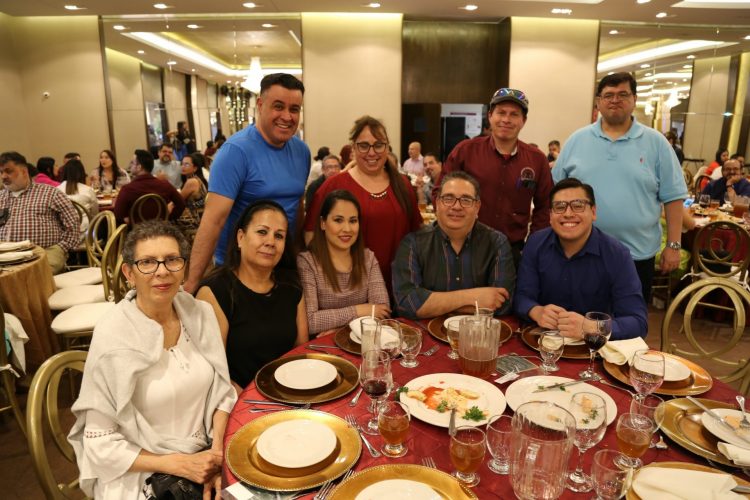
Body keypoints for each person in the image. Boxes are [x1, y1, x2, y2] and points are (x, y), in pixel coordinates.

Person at [68, 221, 237, 499]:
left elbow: (221, 391)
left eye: (172, 260)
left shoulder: (200, 314)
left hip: (204, 456)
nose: (162, 271)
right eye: (147, 262)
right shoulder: (113, 335)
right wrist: (181, 465)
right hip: (142, 473)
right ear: (129, 273)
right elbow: (100, 444)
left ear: (184, 268)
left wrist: (215, 457)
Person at [553, 72, 687, 303]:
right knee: (576, 318)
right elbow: (555, 192)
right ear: (598, 102)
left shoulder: (657, 143)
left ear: (634, 99)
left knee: (630, 319)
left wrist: (674, 246)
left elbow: (673, 198)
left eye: (623, 94)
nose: (615, 100)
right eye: (608, 95)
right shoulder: (577, 140)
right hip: (580, 252)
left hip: (637, 255)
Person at [185, 73, 310, 293]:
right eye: (278, 106)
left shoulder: (302, 151)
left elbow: (297, 206)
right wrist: (192, 284)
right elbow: (213, 221)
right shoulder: (235, 152)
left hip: (282, 265)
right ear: (260, 105)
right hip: (238, 268)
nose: (287, 116)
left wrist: (298, 253)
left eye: (294, 109)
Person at [514, 178, 647, 341]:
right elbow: (521, 296)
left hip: (594, 348)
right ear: (550, 215)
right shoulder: (536, 244)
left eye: (578, 206)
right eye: (559, 207)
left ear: (593, 212)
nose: (568, 214)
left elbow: (638, 322)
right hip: (542, 343)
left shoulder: (617, 255)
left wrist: (591, 327)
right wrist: (536, 311)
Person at [197, 200, 308, 393]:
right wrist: (251, 401)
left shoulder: (291, 285)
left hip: (289, 392)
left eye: (279, 236)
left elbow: (300, 351)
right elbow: (212, 372)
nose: (270, 242)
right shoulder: (215, 291)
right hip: (237, 399)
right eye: (262, 232)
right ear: (240, 237)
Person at [304, 115, 422, 295]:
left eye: (379, 145)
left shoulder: (403, 185)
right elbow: (311, 235)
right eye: (364, 145)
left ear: (387, 147)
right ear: (353, 148)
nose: (372, 152)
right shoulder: (335, 185)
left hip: (400, 285)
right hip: (350, 289)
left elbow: (416, 232)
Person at [439, 88, 553, 267]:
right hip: (463, 248)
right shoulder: (465, 151)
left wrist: (532, 245)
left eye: (514, 114)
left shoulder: (537, 160)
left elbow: (545, 206)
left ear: (523, 121)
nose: (506, 119)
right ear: (490, 116)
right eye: (501, 112)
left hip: (513, 252)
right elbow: (439, 193)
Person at [393, 171, 515, 319]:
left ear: (477, 207)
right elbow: (407, 304)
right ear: (437, 203)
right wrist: (474, 297)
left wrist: (434, 304)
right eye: (448, 198)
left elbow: (502, 304)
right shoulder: (413, 243)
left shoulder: (497, 243)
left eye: (466, 200)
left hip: (478, 331)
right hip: (426, 332)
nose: (456, 206)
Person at [298, 190, 390, 336]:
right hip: (324, 347)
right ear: (323, 223)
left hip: (363, 343)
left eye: (353, 221)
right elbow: (310, 321)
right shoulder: (307, 262)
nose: (347, 229)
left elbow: (382, 311)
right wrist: (359, 310)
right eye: (338, 220)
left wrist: (340, 330)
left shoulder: (368, 258)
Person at [0, 151, 79, 274]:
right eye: (1, 172)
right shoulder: (1, 197)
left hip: (45, 252)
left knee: (33, 275)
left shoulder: (51, 193)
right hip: (5, 256)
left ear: (24, 171)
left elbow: (73, 224)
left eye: (8, 171)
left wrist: (61, 248)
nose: (3, 176)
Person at [113, 149, 185, 225]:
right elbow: (181, 204)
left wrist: (132, 222)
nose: (130, 165)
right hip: (161, 228)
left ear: (139, 167)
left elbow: (118, 215)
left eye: (132, 163)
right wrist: (168, 218)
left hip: (137, 230)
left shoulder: (127, 189)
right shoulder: (165, 185)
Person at [58, 159, 98, 233]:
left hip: (63, 229)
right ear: (82, 173)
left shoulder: (57, 190)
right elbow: (95, 212)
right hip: (85, 230)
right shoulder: (88, 190)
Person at [178, 152, 209, 231]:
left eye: (187, 164)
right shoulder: (198, 179)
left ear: (195, 168)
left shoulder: (192, 182)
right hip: (201, 218)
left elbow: (178, 200)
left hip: (195, 220)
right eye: (182, 164)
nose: (183, 166)